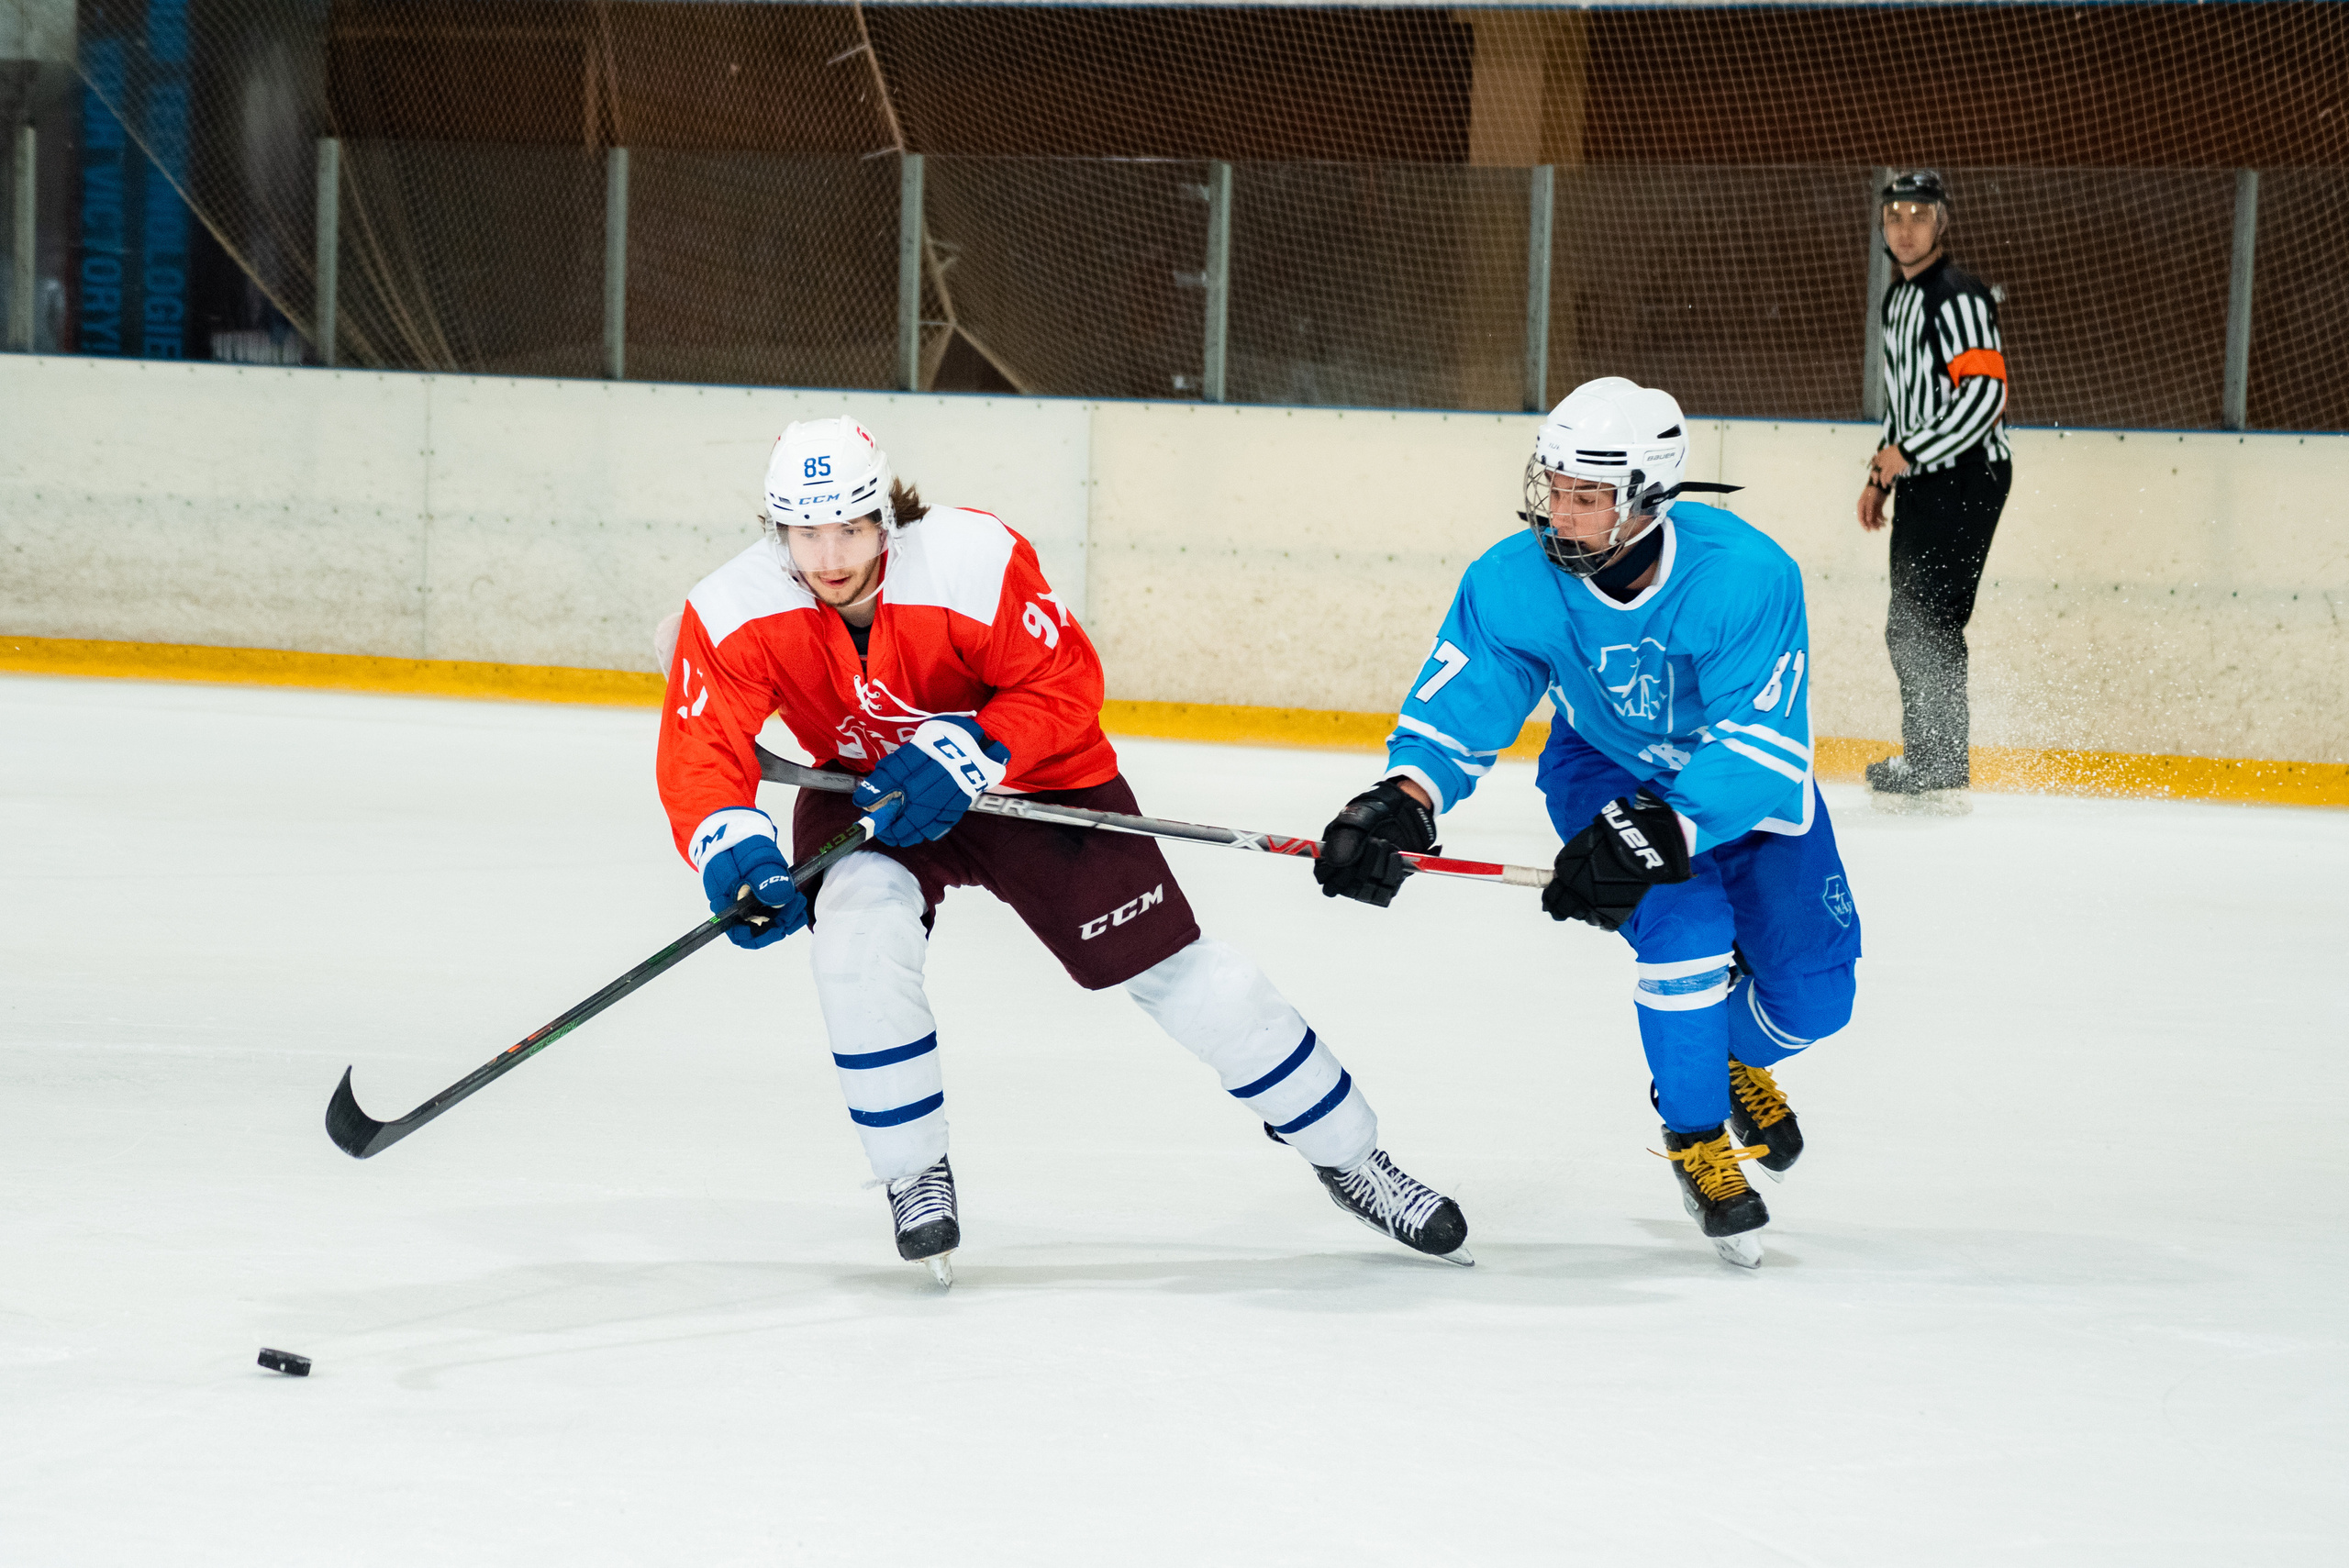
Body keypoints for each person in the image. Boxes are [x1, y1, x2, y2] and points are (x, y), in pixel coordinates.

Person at [654, 415, 1469, 1284]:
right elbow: (704, 747)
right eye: (804, 533)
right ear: (775, 529)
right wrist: (728, 845)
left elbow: (1066, 682)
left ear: (883, 515)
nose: (828, 557)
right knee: (856, 936)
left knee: (1186, 977)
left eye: (848, 528)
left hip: (1036, 780)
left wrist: (979, 744)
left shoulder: (971, 558)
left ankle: (1353, 1157)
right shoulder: (733, 607)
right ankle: (912, 1174)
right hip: (871, 793)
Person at [1312, 377, 1861, 1269]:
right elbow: (1468, 700)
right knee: (1684, 933)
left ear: (1647, 497)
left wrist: (1667, 830)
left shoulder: (1748, 575)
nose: (1559, 513)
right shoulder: (1513, 578)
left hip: (1739, 788)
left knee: (1814, 995)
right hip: (1602, 764)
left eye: (1586, 496)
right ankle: (1695, 1136)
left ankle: (1718, 1053)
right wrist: (1406, 794)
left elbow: (1762, 740)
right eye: (1553, 488)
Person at [1857, 169, 2012, 810]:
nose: (1905, 226)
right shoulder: (1898, 301)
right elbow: (1903, 401)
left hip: (1968, 474)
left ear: (1941, 223)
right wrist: (1880, 474)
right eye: (1895, 215)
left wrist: (1909, 454)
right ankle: (1931, 756)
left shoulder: (1957, 295)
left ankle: (1939, 761)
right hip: (1926, 477)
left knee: (1928, 620)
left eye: (1919, 215)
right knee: (1911, 622)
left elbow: (1985, 394)